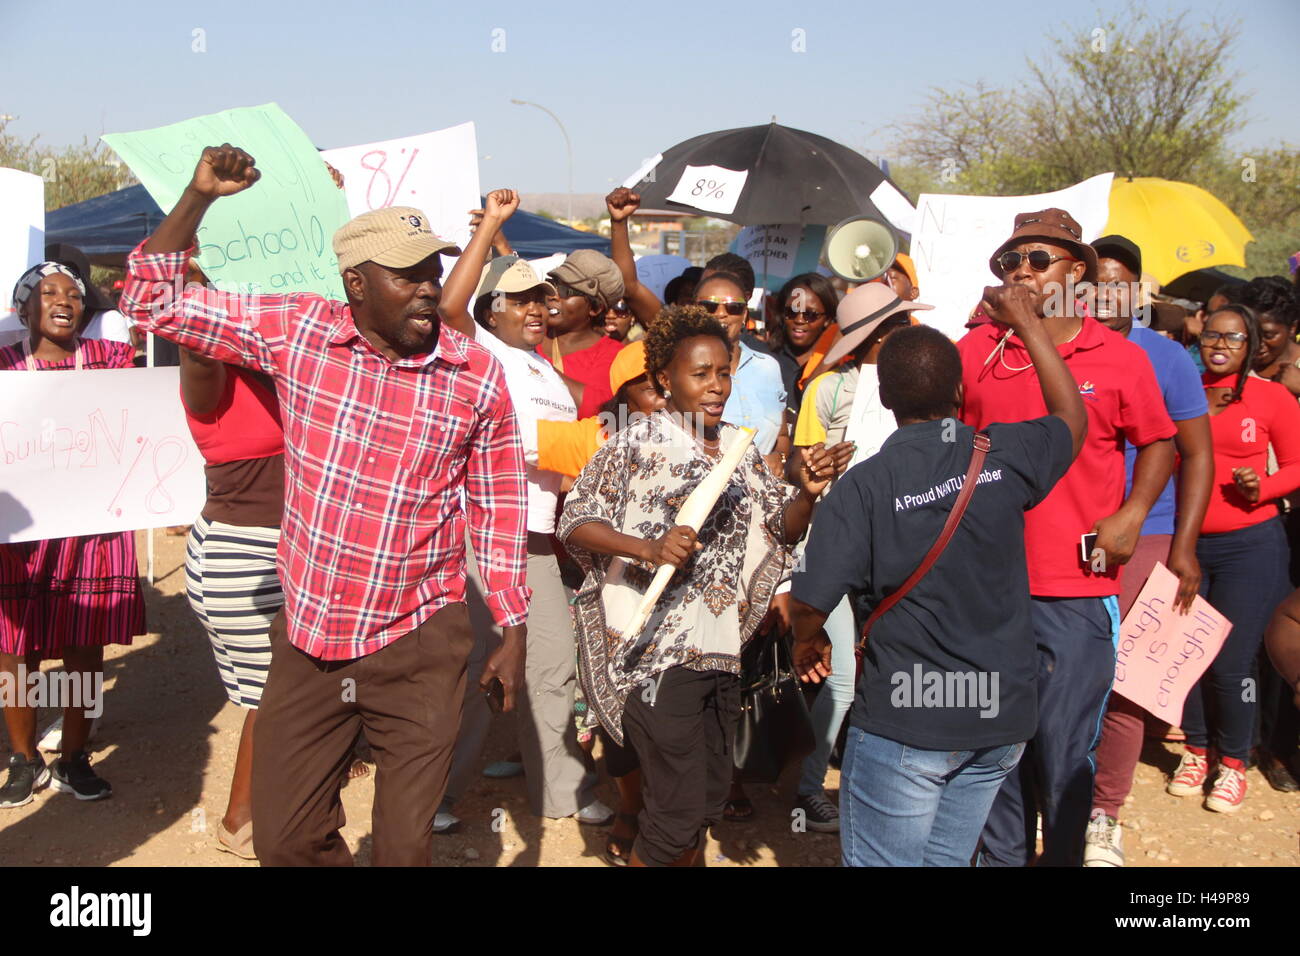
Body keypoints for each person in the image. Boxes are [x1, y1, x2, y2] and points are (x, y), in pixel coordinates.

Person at [120, 144, 530, 867]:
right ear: (356, 283)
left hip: (421, 640)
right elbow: (150, 300)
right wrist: (199, 196)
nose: (429, 290)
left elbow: (496, 505)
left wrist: (514, 624)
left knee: (403, 851)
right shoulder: (299, 332)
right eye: (406, 275)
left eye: (432, 272)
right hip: (310, 638)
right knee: (286, 843)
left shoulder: (475, 375)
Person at [790, 284, 1086, 866]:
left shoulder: (860, 488)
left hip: (907, 722)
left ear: (883, 395)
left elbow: (809, 604)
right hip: (999, 720)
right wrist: (1028, 325)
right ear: (959, 389)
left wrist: (808, 639)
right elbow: (1071, 418)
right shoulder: (1004, 453)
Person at [558, 305, 838, 867]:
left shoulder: (741, 449)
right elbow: (576, 520)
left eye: (723, 373)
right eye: (700, 374)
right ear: (665, 378)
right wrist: (647, 548)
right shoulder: (633, 444)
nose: (716, 387)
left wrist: (806, 492)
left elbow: (780, 527)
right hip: (656, 656)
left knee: (700, 809)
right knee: (674, 819)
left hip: (721, 651)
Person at [959, 208, 1177, 867]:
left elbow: (1162, 442)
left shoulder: (1120, 357)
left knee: (1063, 749)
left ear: (1075, 271)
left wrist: (1133, 514)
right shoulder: (975, 351)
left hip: (1076, 588)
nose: (1020, 272)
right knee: (994, 750)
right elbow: (941, 448)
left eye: (1036, 260)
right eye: (1009, 262)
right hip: (988, 590)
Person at [436, 196, 611, 829]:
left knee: (554, 664)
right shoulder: (476, 354)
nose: (538, 307)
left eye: (543, 299)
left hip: (535, 539)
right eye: (521, 300)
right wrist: (486, 229)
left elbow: (556, 447)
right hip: (484, 538)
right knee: (483, 673)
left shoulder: (539, 364)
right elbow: (454, 308)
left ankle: (562, 791)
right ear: (492, 312)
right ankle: (437, 797)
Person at [1083, 234, 1214, 866]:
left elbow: (1197, 454)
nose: (1105, 292)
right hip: (1071, 538)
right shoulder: (1060, 350)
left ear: (1137, 290)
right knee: (1065, 675)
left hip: (1149, 534)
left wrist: (1183, 547)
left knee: (1127, 683)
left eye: (1118, 281)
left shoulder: (1167, 358)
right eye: (1094, 280)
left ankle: (1103, 814)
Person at [785, 282, 932, 831]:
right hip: (839, 548)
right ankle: (806, 788)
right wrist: (823, 464)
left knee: (885, 672)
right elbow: (801, 472)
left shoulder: (919, 389)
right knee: (843, 678)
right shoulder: (827, 391)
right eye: (898, 325)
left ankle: (880, 784)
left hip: (902, 553)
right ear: (874, 337)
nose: (908, 332)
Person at [0, 263, 145, 808]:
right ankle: (23, 758)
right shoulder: (3, 368)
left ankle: (74, 757)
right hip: (19, 534)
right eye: (49, 293)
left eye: (75, 294)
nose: (65, 301)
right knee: (16, 648)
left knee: (84, 642)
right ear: (25, 307)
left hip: (89, 528)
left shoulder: (109, 361)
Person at [1168, 304, 1300, 813]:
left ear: (1251, 347)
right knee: (1190, 656)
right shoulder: (1185, 391)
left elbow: (1296, 466)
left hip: (1252, 545)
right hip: (1189, 544)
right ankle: (1197, 750)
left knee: (1232, 662)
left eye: (1234, 339)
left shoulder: (1271, 398)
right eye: (1213, 337)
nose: (1220, 346)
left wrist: (1261, 486)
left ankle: (1234, 762)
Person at [179, 337, 286, 859]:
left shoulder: (283, 370)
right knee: (274, 695)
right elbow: (196, 346)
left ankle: (254, 814)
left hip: (274, 551)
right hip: (242, 557)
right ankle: (241, 820)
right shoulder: (211, 380)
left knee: (272, 692)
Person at [537, 250, 626, 419]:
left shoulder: (614, 355)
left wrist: (534, 365)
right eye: (552, 284)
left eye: (565, 291)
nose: (553, 295)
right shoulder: (528, 335)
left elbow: (594, 410)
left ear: (595, 309)